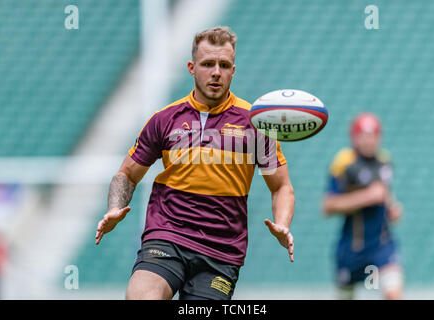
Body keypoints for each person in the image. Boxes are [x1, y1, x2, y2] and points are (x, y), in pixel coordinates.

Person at [95, 26, 295, 300]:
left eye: (224, 65)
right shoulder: (164, 119)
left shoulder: (255, 124)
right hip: (167, 234)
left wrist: (282, 224)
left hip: (221, 250)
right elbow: (127, 174)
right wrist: (115, 208)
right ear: (192, 67)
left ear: (233, 71)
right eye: (208, 64)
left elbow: (281, 186)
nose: (216, 72)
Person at [322, 112, 404, 300]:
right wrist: (366, 197)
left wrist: (392, 209)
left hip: (382, 246)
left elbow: (385, 195)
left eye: (373, 136)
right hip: (352, 249)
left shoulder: (385, 161)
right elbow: (328, 206)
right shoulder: (344, 162)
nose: (368, 141)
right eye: (363, 136)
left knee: (394, 295)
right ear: (354, 137)